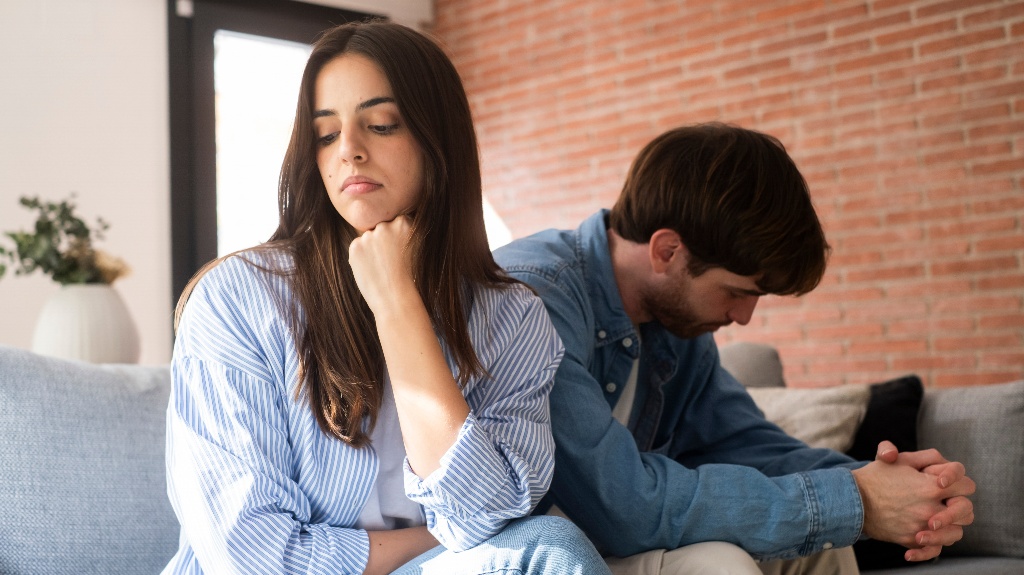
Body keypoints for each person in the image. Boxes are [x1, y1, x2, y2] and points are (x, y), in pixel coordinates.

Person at [163, 21, 611, 575]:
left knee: (550, 549)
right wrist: (434, 540)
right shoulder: (238, 300)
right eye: (325, 135)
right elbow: (256, 556)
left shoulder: (511, 316)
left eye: (380, 124)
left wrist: (397, 304)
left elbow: (484, 515)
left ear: (437, 139)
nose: (348, 150)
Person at [493, 123, 976, 574]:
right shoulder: (533, 301)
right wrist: (858, 501)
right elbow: (624, 506)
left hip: (605, 538)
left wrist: (889, 486)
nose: (743, 318)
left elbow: (743, 446)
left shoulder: (675, 328)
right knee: (719, 564)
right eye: (738, 291)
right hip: (534, 550)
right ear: (667, 251)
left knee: (827, 548)